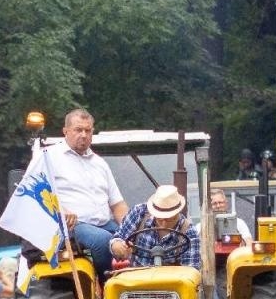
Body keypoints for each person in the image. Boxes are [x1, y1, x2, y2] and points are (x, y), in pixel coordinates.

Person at [46, 108, 127, 271]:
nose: (83, 135)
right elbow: (36, 193)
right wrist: (60, 209)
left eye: (87, 130)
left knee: (141, 240)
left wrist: (132, 229)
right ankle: (109, 287)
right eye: (78, 130)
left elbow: (117, 205)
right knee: (102, 241)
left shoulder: (100, 163)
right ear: (65, 131)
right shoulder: (48, 157)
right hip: (71, 227)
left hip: (105, 223)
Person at [108, 185, 201, 268]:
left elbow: (190, 273)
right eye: (160, 219)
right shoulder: (139, 213)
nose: (164, 224)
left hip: (171, 284)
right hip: (136, 281)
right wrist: (118, 247)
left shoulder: (189, 232)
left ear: (178, 212)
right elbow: (118, 238)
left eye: (170, 219)